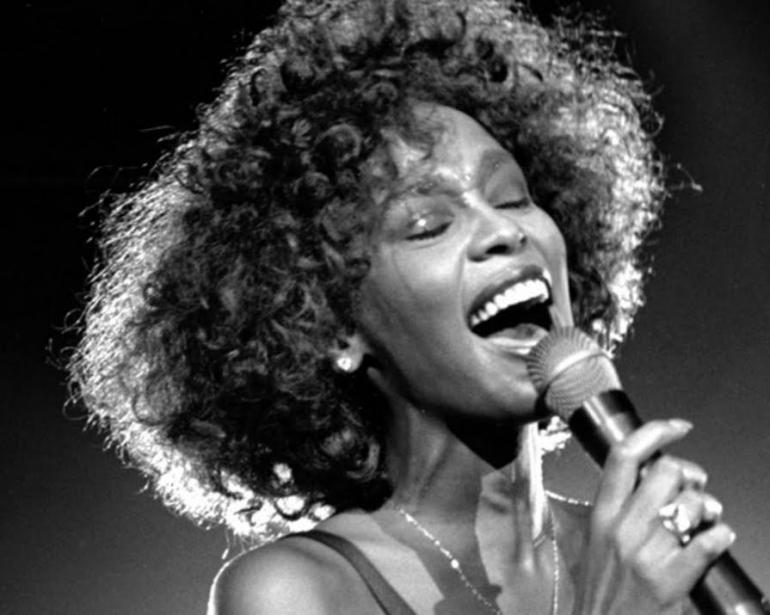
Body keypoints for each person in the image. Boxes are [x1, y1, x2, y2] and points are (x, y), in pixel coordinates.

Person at [69, 0, 736, 613]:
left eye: (512, 197)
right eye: (427, 225)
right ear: (331, 326)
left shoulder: (651, 561)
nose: (504, 231)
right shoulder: (296, 591)